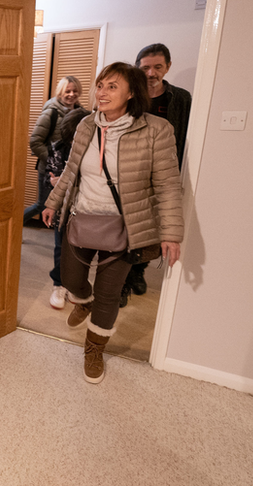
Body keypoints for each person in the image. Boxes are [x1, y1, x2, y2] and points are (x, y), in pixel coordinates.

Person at [42, 63, 183, 384]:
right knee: (71, 279)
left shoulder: (157, 131)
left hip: (126, 226)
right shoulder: (85, 125)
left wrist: (171, 234)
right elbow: (71, 170)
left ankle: (94, 350)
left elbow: (168, 185)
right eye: (100, 85)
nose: (101, 93)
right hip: (82, 217)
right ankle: (84, 300)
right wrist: (52, 202)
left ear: (132, 93)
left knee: (109, 294)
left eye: (112, 87)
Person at [124, 44, 192, 302]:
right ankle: (121, 281)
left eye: (157, 67)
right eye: (145, 67)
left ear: (168, 67)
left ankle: (137, 271)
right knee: (129, 228)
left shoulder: (181, 98)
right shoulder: (129, 96)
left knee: (151, 229)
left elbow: (186, 136)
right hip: (132, 173)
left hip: (163, 174)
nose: (151, 73)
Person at [43, 107, 89, 309]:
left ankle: (76, 286)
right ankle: (59, 284)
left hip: (88, 209)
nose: (73, 144)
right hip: (63, 208)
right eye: (70, 139)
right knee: (61, 248)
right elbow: (49, 176)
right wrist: (54, 182)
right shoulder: (57, 147)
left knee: (83, 251)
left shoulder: (98, 149)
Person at [23, 76, 82, 225]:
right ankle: (14, 226)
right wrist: (52, 162)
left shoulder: (81, 113)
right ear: (60, 92)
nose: (71, 94)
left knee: (63, 206)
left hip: (70, 169)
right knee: (42, 204)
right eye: (67, 91)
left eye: (75, 91)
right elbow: (35, 142)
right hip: (49, 170)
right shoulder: (51, 113)